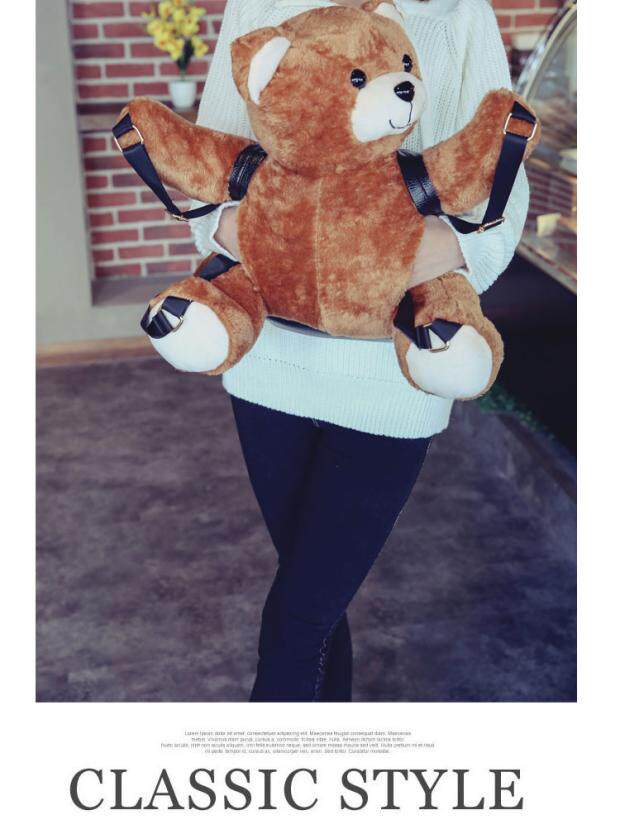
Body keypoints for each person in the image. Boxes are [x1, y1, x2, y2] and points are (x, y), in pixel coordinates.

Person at [189, 0, 529, 701]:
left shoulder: (457, 9)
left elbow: (501, 174)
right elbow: (210, 162)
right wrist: (278, 243)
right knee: (314, 609)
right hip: (270, 364)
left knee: (297, 619)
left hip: (393, 367)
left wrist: (393, 253)